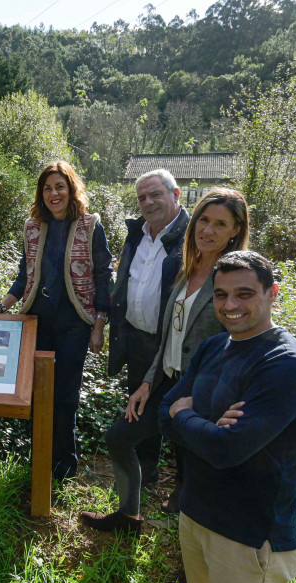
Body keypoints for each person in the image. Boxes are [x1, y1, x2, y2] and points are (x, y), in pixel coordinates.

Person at [82, 188, 249, 534]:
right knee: (119, 437)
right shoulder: (187, 267)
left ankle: (195, 569)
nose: (208, 230)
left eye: (221, 224)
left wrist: (207, 397)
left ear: (235, 230)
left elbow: (245, 344)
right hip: (169, 383)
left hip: (208, 395)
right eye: (204, 220)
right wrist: (147, 382)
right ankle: (128, 517)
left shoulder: (234, 278)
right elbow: (170, 335)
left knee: (200, 476)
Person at [158, 251, 296, 583]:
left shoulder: (285, 365)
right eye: (221, 294)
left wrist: (187, 415)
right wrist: (208, 426)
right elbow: (163, 411)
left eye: (244, 294)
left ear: (272, 293)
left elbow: (225, 449)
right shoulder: (213, 347)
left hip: (250, 536)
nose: (230, 303)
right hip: (196, 514)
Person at [0, 161, 113, 480]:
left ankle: (64, 466)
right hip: (36, 320)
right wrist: (2, 306)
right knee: (37, 391)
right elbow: (25, 275)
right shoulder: (33, 226)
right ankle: (38, 457)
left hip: (74, 324)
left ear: (71, 189)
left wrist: (98, 324)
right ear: (41, 193)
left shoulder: (90, 225)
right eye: (48, 188)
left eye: (60, 186)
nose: (54, 193)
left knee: (65, 396)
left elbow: (103, 275)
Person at [106, 169, 190, 488]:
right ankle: (145, 473)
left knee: (181, 412)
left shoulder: (192, 236)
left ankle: (185, 487)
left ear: (176, 194)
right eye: (142, 197)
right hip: (138, 339)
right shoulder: (137, 234)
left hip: (174, 343)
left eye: (155, 194)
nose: (148, 202)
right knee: (139, 408)